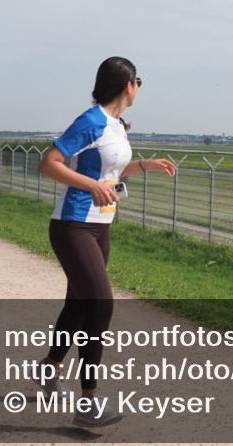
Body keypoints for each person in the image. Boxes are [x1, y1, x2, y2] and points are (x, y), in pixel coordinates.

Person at [37, 56, 176, 427]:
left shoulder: (116, 125)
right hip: (73, 225)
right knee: (100, 305)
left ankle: (50, 369)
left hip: (101, 226)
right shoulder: (91, 120)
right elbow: (49, 163)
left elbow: (110, 171)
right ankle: (88, 403)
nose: (139, 88)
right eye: (138, 81)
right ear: (127, 85)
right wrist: (92, 186)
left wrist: (146, 165)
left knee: (80, 306)